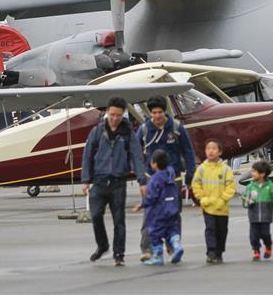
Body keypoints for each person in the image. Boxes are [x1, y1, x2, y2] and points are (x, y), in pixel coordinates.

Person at [80, 97, 148, 266]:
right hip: (100, 180)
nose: (115, 118)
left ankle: (119, 254)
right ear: (107, 112)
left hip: (118, 181)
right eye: (112, 114)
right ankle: (102, 245)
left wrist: (142, 181)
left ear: (123, 114)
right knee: (96, 215)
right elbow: (87, 154)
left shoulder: (128, 134)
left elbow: (137, 157)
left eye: (118, 115)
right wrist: (85, 179)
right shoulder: (97, 131)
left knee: (119, 220)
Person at [135, 96, 197, 261]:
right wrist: (141, 179)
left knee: (174, 213)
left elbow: (188, 152)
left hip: (173, 179)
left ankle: (173, 247)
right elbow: (135, 154)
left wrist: (190, 175)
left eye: (160, 112)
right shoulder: (144, 129)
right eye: (153, 112)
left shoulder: (176, 128)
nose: (156, 116)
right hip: (151, 178)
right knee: (149, 214)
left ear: (165, 112)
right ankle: (147, 249)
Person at [134, 150, 184, 266]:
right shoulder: (171, 175)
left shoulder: (155, 179)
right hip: (171, 209)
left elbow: (152, 197)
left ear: (154, 164)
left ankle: (158, 256)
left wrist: (142, 204)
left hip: (159, 213)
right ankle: (177, 245)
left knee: (155, 234)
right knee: (172, 231)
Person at [191, 138, 236, 264]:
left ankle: (219, 251)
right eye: (208, 149)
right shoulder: (201, 169)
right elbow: (196, 184)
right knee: (210, 228)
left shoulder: (226, 169)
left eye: (214, 148)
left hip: (222, 208)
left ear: (220, 152)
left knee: (221, 230)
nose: (211, 151)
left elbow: (231, 186)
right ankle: (211, 252)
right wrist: (201, 198)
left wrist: (223, 199)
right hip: (208, 206)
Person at [242, 160, 273, 261]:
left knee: (265, 234)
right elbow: (245, 200)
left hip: (265, 216)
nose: (252, 173)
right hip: (253, 216)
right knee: (253, 236)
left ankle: (268, 246)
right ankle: (256, 250)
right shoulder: (250, 186)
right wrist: (245, 200)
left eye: (254, 171)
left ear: (262, 174)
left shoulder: (270, 186)